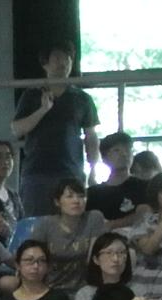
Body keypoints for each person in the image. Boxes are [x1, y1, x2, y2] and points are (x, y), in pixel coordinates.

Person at [12, 45, 98, 218]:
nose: (63, 63)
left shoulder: (82, 98)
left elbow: (91, 136)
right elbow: (17, 129)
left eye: (67, 59)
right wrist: (43, 110)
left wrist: (93, 168)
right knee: (36, 222)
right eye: (57, 58)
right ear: (45, 64)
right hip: (37, 172)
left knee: (72, 222)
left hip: (71, 171)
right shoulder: (31, 95)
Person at [32, 178, 100, 288]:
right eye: (70, 196)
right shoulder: (45, 224)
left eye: (81, 196)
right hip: (51, 287)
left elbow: (94, 259)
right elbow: (34, 258)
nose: (76, 201)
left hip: (85, 287)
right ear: (57, 202)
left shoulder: (94, 218)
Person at [85, 131, 150, 221]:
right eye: (117, 150)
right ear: (104, 158)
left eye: (128, 149)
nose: (124, 154)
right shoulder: (93, 194)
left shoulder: (146, 187)